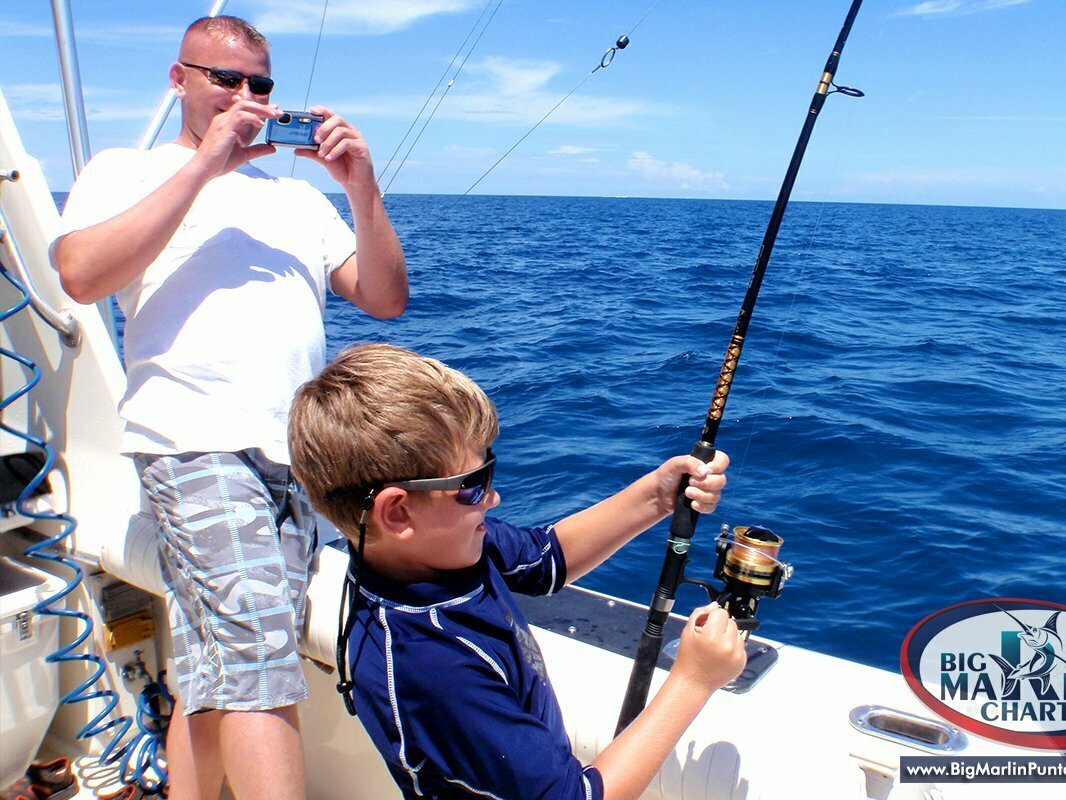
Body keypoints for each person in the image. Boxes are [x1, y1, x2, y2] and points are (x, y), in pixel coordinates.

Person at [51, 16, 407, 800]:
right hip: (193, 444)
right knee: (258, 656)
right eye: (225, 79)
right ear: (179, 80)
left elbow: (385, 297)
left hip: (298, 459)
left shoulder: (296, 202)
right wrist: (207, 164)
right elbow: (79, 274)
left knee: (221, 663)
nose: (246, 97)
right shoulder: (125, 170)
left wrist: (360, 187)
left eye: (261, 85)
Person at [287, 344, 747, 800]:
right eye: (473, 484)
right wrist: (693, 680)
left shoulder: (438, 549)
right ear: (398, 513)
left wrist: (656, 496)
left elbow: (546, 559)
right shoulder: (433, 667)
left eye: (489, 465)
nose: (493, 497)